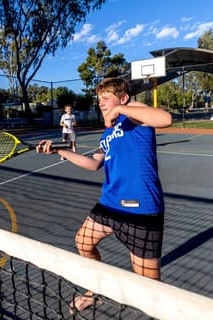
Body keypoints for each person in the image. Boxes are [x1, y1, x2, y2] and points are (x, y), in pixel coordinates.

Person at [36, 77, 172, 313]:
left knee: (150, 291)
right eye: (99, 99)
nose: (101, 103)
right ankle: (95, 291)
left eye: (106, 98)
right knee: (83, 241)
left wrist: (118, 109)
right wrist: (60, 150)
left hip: (140, 211)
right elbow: (93, 163)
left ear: (123, 98)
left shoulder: (135, 113)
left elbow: (165, 119)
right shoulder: (108, 134)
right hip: (109, 204)